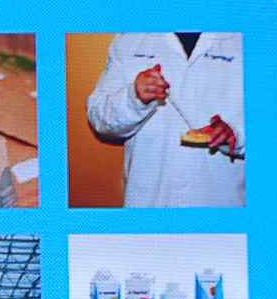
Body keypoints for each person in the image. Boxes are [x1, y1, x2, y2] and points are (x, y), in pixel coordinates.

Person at [82, 31, 245, 207]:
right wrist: (133, 98)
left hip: (222, 200)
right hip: (149, 200)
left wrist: (236, 135)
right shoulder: (130, 38)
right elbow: (99, 118)